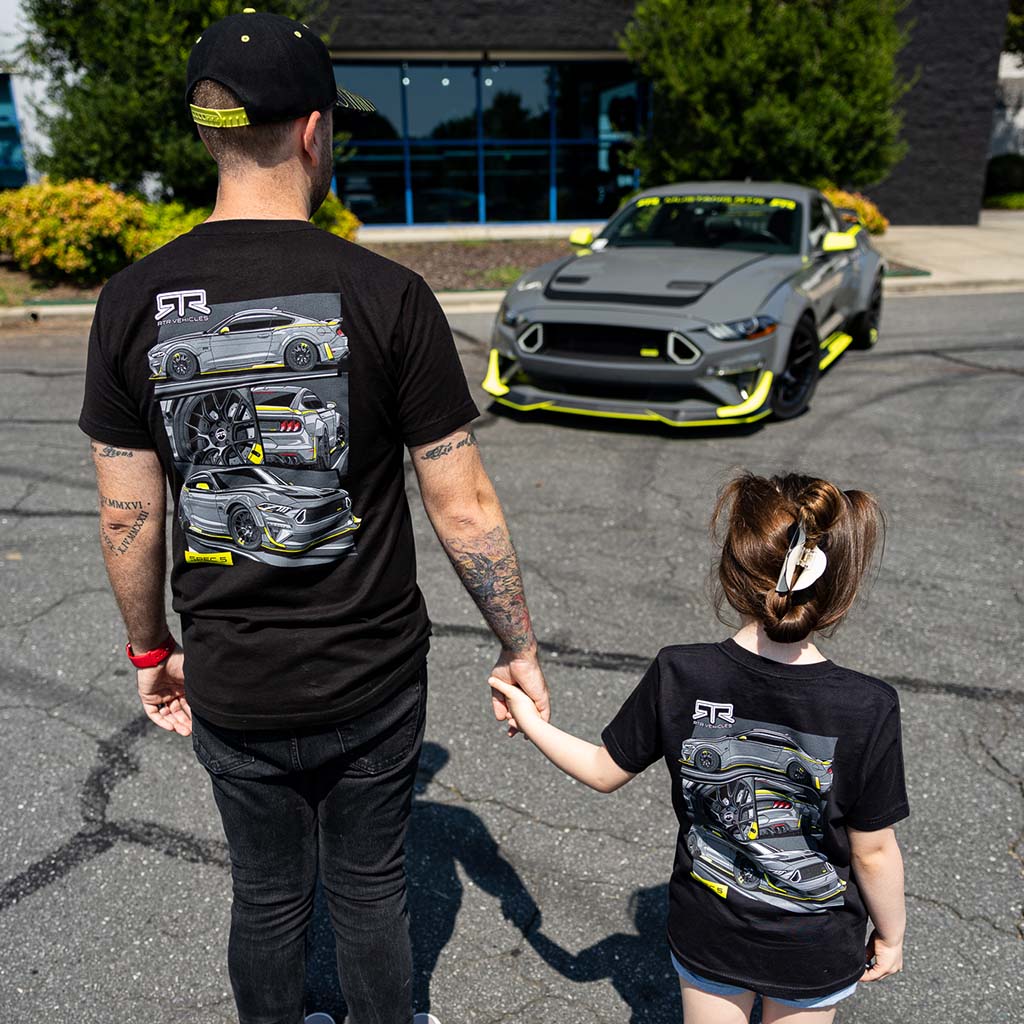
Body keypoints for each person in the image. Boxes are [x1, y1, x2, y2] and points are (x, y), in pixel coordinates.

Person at [78, 9, 549, 1024]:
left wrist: (149, 652)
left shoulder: (129, 301)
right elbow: (461, 502)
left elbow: (128, 517)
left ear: (212, 134)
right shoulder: (387, 293)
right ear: (310, 131)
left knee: (265, 892)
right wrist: (517, 643)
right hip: (370, 679)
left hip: (237, 681)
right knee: (371, 889)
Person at [490, 472, 908, 1024]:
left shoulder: (680, 672)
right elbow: (872, 852)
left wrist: (531, 719)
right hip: (815, 945)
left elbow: (600, 770)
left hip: (709, 934)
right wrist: (893, 935)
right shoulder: (868, 705)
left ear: (732, 572)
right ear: (839, 587)